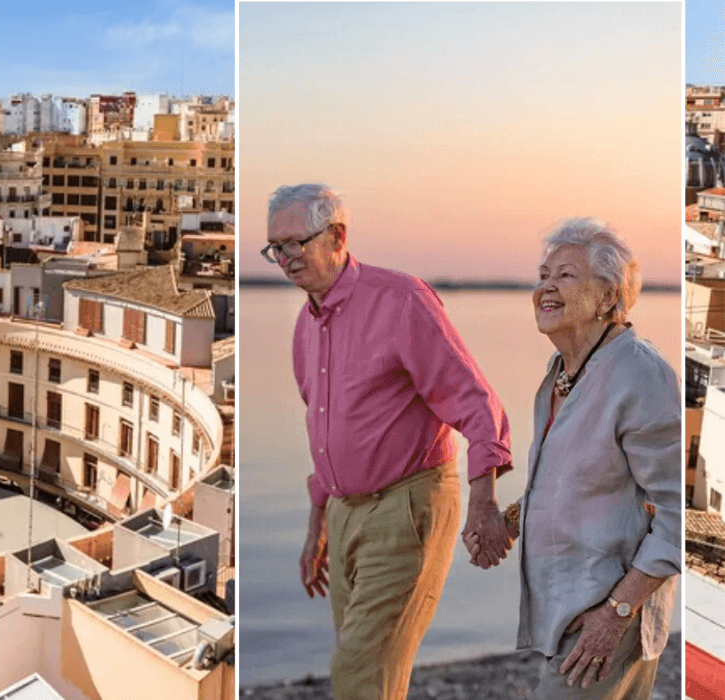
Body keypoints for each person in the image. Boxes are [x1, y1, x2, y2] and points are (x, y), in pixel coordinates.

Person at [268, 184, 514, 700]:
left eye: (296, 243)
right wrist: (318, 524)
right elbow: (324, 429)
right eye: (276, 248)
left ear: (336, 236)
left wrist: (484, 501)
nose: (286, 258)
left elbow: (475, 401)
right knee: (367, 670)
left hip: (407, 504)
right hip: (343, 511)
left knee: (361, 670)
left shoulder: (401, 301)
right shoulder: (305, 326)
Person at [470, 218, 679, 699]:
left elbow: (678, 517)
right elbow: (576, 481)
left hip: (607, 616)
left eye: (564, 275)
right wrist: (509, 520)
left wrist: (616, 614)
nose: (545, 286)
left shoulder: (640, 377)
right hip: (568, 608)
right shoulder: (562, 373)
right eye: (543, 274)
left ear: (609, 297)